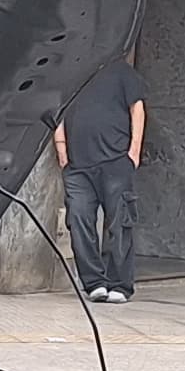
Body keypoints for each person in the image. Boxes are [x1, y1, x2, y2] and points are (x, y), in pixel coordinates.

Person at [54, 52, 149, 302]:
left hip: (116, 161)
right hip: (77, 166)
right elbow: (57, 110)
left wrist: (134, 152)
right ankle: (94, 282)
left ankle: (120, 284)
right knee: (78, 219)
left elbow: (137, 108)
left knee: (120, 223)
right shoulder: (70, 72)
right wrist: (62, 151)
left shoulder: (121, 71)